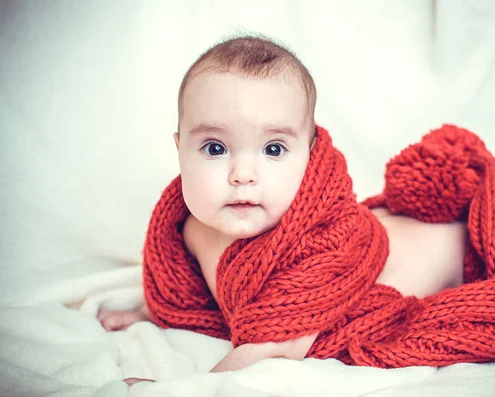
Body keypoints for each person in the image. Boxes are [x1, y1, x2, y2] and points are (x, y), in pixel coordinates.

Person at [97, 35, 466, 374]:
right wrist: (148, 310)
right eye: (215, 148)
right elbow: (185, 286)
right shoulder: (189, 228)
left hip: (449, 249)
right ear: (180, 150)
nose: (242, 174)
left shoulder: (324, 246)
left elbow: (278, 343)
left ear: (310, 155)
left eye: (273, 149)